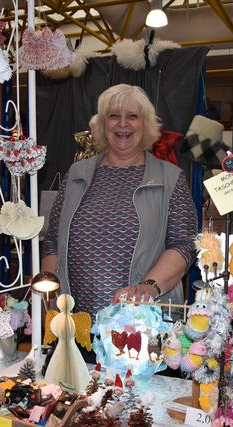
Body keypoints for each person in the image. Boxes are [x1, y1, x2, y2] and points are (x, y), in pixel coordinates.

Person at [41, 84, 197, 316]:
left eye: (132, 116)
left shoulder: (170, 178)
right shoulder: (76, 174)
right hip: (75, 323)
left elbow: (184, 244)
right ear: (103, 124)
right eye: (114, 116)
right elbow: (53, 241)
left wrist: (148, 287)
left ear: (145, 124)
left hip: (143, 323)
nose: (122, 124)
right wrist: (50, 301)